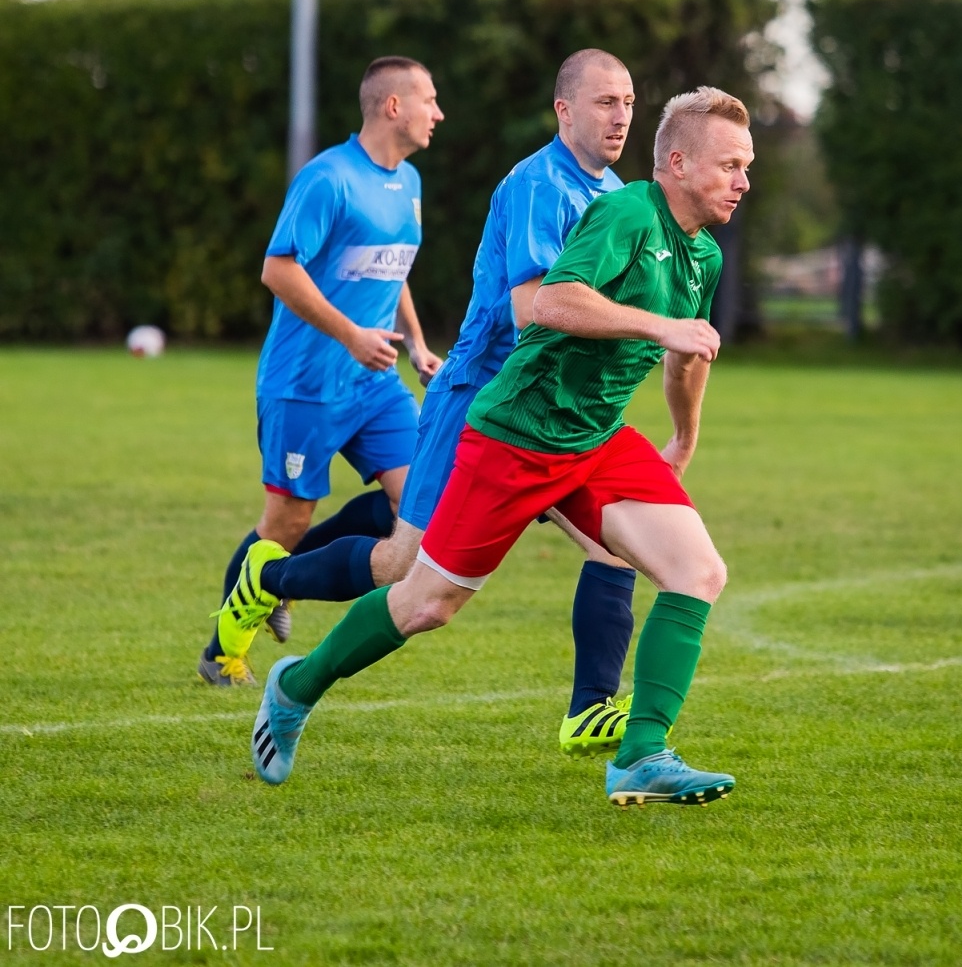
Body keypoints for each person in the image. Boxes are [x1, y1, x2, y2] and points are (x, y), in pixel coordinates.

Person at [249, 86, 752, 810]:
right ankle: (296, 685)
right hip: (517, 434)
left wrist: (683, 433)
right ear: (677, 163)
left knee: (698, 571)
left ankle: (641, 754)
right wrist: (657, 325)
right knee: (424, 602)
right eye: (730, 165)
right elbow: (550, 302)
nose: (742, 181)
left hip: (596, 439)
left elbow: (686, 357)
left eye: (746, 166)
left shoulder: (703, 254)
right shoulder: (627, 213)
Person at [216, 50, 648, 758]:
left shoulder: (610, 194)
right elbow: (532, 309)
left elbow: (394, 268)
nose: (622, 114)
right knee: (399, 566)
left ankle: (591, 708)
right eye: (606, 100)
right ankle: (265, 578)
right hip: (460, 399)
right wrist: (653, 326)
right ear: (565, 109)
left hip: (532, 406)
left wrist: (416, 341)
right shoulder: (531, 185)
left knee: (617, 543)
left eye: (628, 100)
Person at [198, 56, 445, 687]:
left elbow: (392, 266)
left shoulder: (409, 181)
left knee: (420, 500)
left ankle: (282, 579)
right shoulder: (328, 178)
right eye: (429, 100)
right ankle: (222, 652)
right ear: (393, 106)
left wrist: (417, 343)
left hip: (375, 383)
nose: (438, 113)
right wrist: (352, 335)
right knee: (287, 521)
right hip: (305, 384)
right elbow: (278, 269)